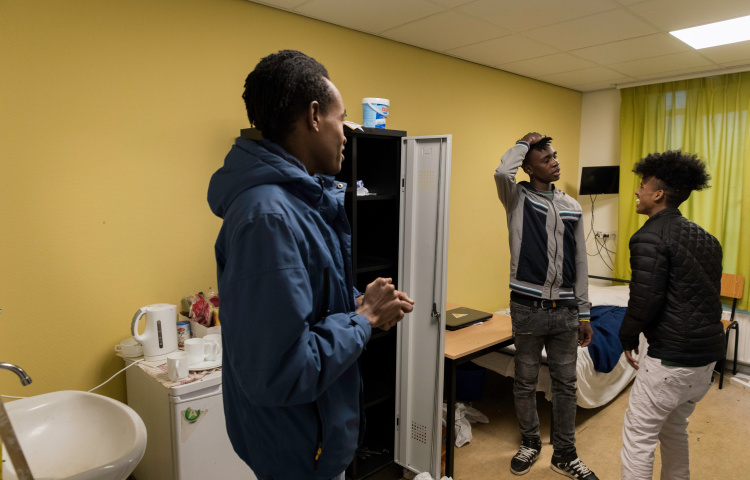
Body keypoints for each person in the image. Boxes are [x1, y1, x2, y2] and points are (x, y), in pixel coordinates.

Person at [207, 50, 414, 480]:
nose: (346, 134)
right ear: (315, 116)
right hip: (298, 450)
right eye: (342, 120)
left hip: (311, 436)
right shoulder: (269, 217)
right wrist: (364, 319)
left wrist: (360, 305)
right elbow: (282, 369)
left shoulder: (297, 205)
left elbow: (299, 314)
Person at [494, 132, 598, 479]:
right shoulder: (517, 198)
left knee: (565, 384)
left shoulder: (572, 205)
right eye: (546, 158)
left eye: (555, 156)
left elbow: (581, 262)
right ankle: (530, 443)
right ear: (528, 167)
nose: (555, 162)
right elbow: (500, 172)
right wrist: (523, 143)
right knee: (524, 382)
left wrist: (584, 312)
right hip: (527, 308)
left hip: (566, 311)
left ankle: (565, 453)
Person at [619, 151, 723, 480]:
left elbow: (645, 299)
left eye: (642, 185)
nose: (637, 191)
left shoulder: (649, 236)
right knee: (674, 429)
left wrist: (626, 337)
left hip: (671, 359)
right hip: (706, 360)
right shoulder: (708, 239)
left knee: (639, 438)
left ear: (658, 194)